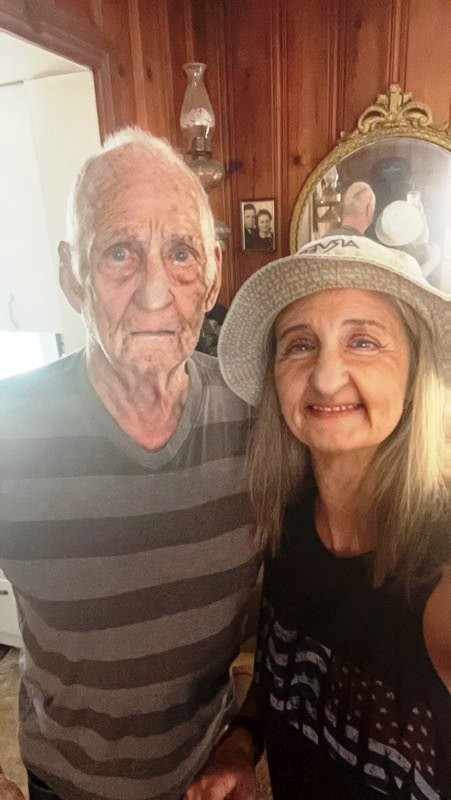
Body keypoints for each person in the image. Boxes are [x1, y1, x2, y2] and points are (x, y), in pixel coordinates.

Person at [0, 128, 260, 800]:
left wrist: (244, 739)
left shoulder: (257, 425)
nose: (154, 294)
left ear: (213, 271)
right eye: (119, 252)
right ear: (70, 274)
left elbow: (297, 622)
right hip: (65, 784)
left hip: (205, 778)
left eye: (180, 254)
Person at [187, 235, 451, 799]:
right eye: (300, 344)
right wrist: (240, 745)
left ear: (414, 374)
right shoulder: (288, 520)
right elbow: (287, 675)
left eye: (363, 341)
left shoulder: (441, 565)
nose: (327, 377)